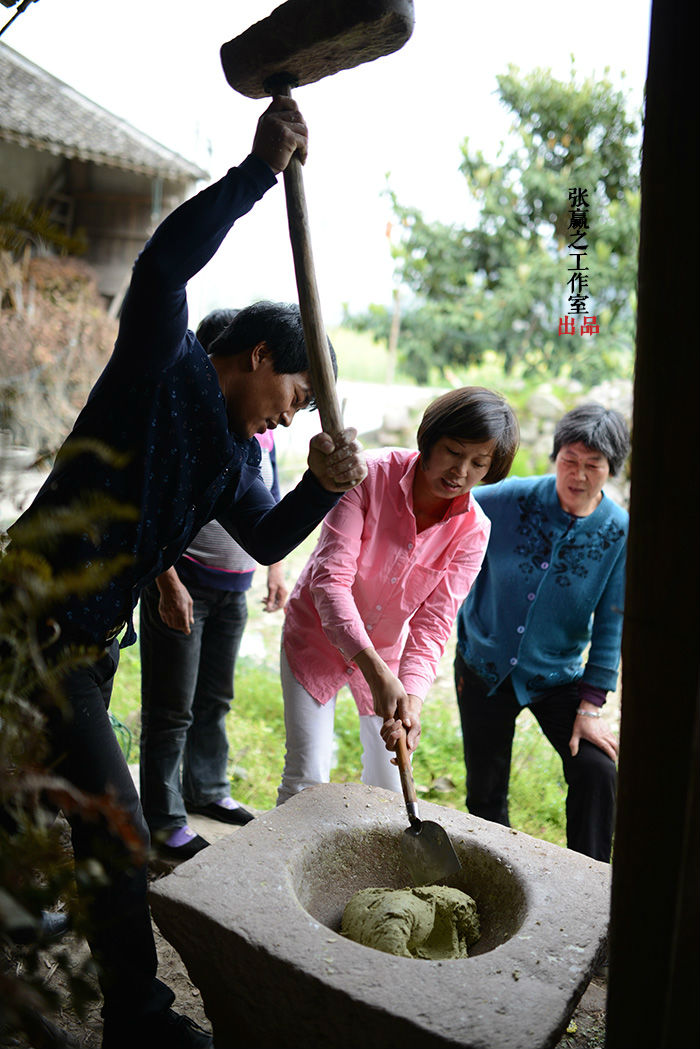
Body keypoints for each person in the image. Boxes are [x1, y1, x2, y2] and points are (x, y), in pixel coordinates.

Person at [5, 97, 366, 1049]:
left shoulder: (231, 453)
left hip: (89, 634)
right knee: (116, 816)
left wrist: (324, 487)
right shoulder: (163, 362)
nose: (286, 420)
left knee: (44, 787)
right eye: (291, 398)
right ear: (256, 357)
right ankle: (139, 1017)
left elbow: (260, 534)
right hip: (33, 614)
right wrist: (256, 171)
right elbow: (162, 263)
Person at [277, 387, 519, 803]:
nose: (461, 471)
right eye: (453, 452)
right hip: (315, 637)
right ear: (429, 437)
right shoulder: (367, 475)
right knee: (307, 779)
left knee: (390, 789)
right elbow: (329, 582)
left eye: (478, 463)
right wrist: (374, 670)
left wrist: (413, 701)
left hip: (386, 655)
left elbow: (434, 625)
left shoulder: (474, 530)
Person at [139, 309, 288, 860]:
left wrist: (273, 567)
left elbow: (269, 507)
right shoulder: (190, 432)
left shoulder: (262, 432)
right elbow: (152, 516)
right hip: (185, 586)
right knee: (171, 706)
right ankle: (164, 816)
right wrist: (166, 583)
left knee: (215, 699)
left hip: (235, 587)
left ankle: (208, 789)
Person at [453, 402, 630, 863]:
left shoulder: (620, 533)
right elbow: (447, 508)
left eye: (593, 465)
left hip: (559, 677)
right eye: (569, 460)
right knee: (485, 792)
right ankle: (495, 878)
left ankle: (589, 881)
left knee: (597, 771)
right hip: (484, 665)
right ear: (555, 457)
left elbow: (613, 621)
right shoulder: (505, 500)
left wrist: (591, 705)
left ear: (611, 469)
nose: (579, 474)